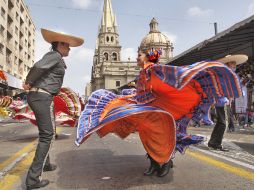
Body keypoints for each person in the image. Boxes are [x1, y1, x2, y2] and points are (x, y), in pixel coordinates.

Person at [76, 49, 243, 177]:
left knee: (160, 137)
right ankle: (154, 163)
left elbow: (169, 83)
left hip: (160, 110)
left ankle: (165, 162)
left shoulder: (154, 69)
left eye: (139, 55)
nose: (136, 57)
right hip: (147, 111)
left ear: (148, 57)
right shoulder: (143, 73)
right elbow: (144, 92)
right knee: (147, 135)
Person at [23, 28, 84, 190]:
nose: (69, 48)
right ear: (60, 45)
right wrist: (28, 81)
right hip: (41, 97)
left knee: (48, 132)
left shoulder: (56, 58)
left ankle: (46, 164)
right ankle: (33, 179)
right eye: (67, 45)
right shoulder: (54, 56)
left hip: (43, 97)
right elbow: (39, 67)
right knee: (48, 135)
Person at [208, 54, 248, 151]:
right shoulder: (227, 74)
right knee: (223, 123)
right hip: (223, 101)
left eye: (235, 64)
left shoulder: (224, 74)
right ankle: (216, 143)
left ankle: (213, 142)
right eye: (232, 63)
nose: (234, 65)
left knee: (220, 123)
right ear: (227, 64)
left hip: (221, 100)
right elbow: (228, 89)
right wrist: (230, 98)